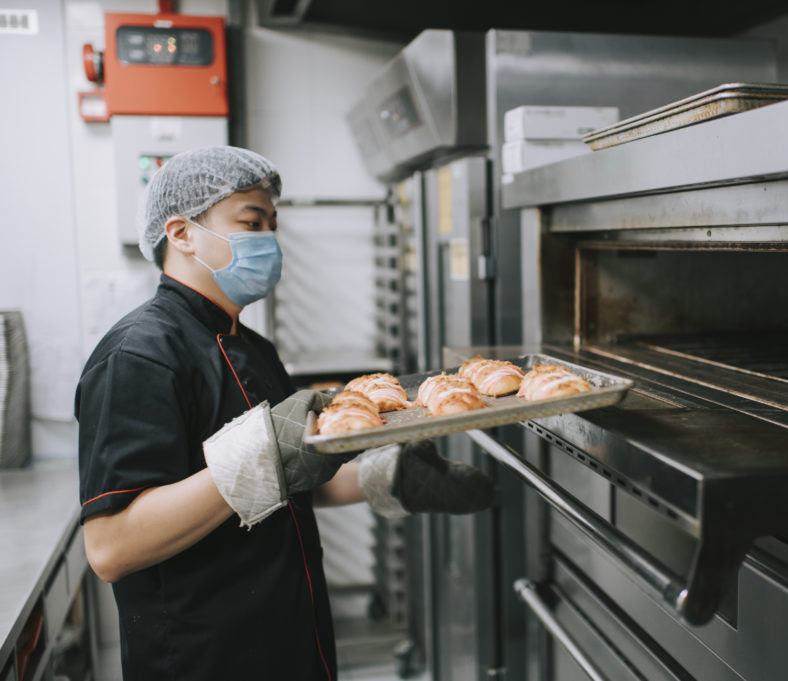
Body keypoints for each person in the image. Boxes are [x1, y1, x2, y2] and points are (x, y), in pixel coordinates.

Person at [75, 145, 493, 681]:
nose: (268, 240)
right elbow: (111, 547)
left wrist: (384, 477)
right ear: (181, 234)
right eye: (251, 223)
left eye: (272, 224)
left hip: (292, 640)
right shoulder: (138, 357)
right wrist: (265, 450)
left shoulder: (252, 348)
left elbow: (288, 480)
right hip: (203, 659)